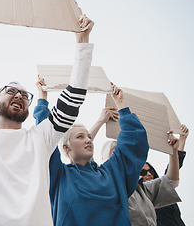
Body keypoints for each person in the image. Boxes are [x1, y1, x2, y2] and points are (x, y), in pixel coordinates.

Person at [0, 0, 94, 226]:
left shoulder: (41, 138)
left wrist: (82, 41)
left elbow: (72, 98)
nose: (19, 96)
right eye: (11, 91)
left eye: (25, 95)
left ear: (28, 110)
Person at [34, 79, 150, 226]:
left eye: (89, 137)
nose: (88, 140)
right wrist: (42, 97)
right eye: (80, 137)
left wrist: (120, 104)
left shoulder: (112, 174)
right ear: (66, 147)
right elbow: (45, 136)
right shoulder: (58, 175)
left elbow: (134, 143)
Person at [99, 121, 182, 226]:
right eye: (115, 155)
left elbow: (172, 181)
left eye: (125, 154)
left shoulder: (140, 189)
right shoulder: (102, 189)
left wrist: (173, 152)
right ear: (106, 160)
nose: (121, 158)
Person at [155, 124, 188, 226]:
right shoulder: (143, 197)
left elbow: (173, 168)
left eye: (150, 171)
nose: (148, 174)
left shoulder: (162, 190)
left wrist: (182, 139)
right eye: (143, 172)